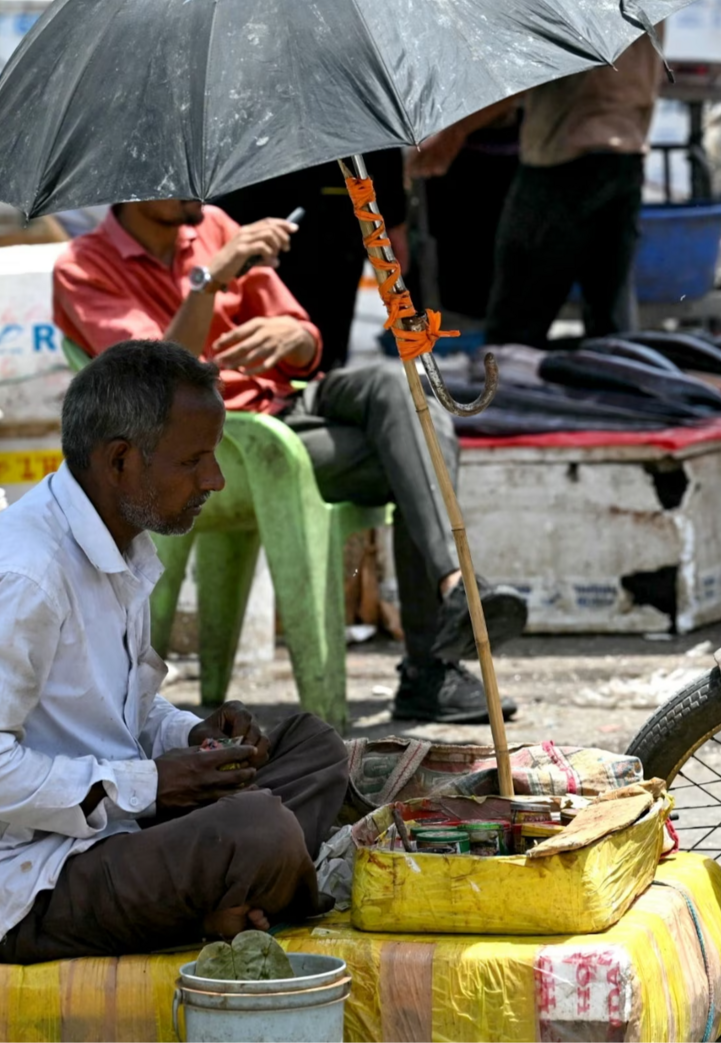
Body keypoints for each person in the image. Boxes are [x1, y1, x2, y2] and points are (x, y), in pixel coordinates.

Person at [0, 341, 355, 962]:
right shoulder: (25, 576)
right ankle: (248, 888)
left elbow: (116, 713)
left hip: (115, 829)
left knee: (313, 747)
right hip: (27, 882)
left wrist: (189, 737)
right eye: (194, 460)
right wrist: (145, 787)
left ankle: (235, 896)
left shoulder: (119, 540)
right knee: (260, 830)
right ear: (120, 459)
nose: (216, 480)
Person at [52, 199, 530, 724]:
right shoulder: (82, 268)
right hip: (227, 442)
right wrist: (209, 283)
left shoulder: (212, 224)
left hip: (292, 400)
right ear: (136, 184)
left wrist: (292, 337)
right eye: (180, 179)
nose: (197, 188)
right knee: (420, 447)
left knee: (404, 391)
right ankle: (434, 661)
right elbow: (153, 389)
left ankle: (451, 590)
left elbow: (307, 344)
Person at [407, 0, 662, 345]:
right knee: (611, 334)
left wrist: (455, 130)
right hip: (626, 159)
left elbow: (534, 64)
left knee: (512, 332)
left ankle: (499, 425)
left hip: (563, 164)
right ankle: (611, 426)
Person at [216, 0, 410, 371]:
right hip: (333, 205)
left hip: (243, 209)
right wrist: (391, 224)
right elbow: (373, 97)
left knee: (247, 364)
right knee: (318, 366)